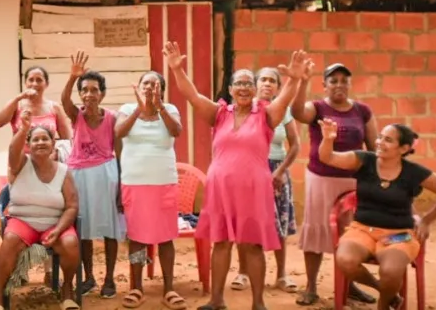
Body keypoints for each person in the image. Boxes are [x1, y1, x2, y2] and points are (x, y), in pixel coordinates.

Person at [164, 41, 307, 310]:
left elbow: (286, 97)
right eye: (238, 83)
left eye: (248, 84)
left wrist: (294, 79)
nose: (243, 88)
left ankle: (258, 303)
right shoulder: (219, 114)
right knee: (221, 243)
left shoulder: (265, 115)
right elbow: (192, 95)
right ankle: (217, 300)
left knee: (251, 246)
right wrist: (176, 70)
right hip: (221, 190)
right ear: (230, 90)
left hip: (254, 190)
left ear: (254, 90)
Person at [320, 120, 436, 310]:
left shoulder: (414, 172)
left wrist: (426, 220)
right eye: (379, 137)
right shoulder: (364, 160)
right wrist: (328, 139)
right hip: (361, 229)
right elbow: (327, 158)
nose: (379, 143)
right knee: (346, 260)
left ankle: (383, 305)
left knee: (391, 271)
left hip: (398, 234)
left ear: (404, 148)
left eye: (388, 140)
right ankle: (384, 291)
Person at [290, 62, 380, 306]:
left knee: (350, 236)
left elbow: (374, 148)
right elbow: (297, 112)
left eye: (344, 80)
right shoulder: (317, 108)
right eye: (333, 80)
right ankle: (311, 286)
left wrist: (374, 181)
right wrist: (302, 82)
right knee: (316, 230)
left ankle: (349, 285)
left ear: (350, 84)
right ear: (325, 85)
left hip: (352, 183)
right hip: (321, 180)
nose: (339, 85)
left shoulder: (363, 111)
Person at [0, 110, 81, 310]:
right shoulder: (20, 164)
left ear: (53, 144)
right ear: (28, 146)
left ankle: (67, 290)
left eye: (45, 139)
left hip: (55, 223)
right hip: (23, 221)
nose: (40, 143)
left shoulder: (64, 172)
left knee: (71, 242)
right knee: (10, 241)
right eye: (35, 140)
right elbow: (13, 151)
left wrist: (58, 229)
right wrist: (23, 128)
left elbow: (72, 206)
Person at [115, 69, 185, 309]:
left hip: (164, 182)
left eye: (155, 85)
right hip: (134, 183)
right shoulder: (126, 110)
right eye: (146, 83)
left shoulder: (171, 109)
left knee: (165, 237)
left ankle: (169, 289)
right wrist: (138, 108)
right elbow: (118, 133)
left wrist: (159, 107)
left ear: (161, 91)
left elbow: (176, 131)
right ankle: (136, 287)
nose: (149, 88)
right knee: (136, 238)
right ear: (139, 86)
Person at [59, 51, 125, 299]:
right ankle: (88, 277)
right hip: (79, 177)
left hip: (105, 176)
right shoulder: (76, 115)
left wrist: (120, 188)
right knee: (83, 229)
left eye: (94, 89)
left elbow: (119, 155)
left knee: (109, 229)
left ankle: (109, 278)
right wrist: (71, 77)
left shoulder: (112, 118)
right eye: (84, 89)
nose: (89, 94)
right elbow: (64, 99)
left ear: (102, 94)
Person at [230, 67, 301, 294]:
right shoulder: (245, 110)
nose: (267, 84)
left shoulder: (283, 111)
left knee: (278, 224)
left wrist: (280, 171)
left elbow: (295, 144)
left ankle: (281, 274)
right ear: (254, 84)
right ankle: (243, 272)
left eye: (273, 81)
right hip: (248, 172)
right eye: (263, 79)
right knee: (245, 223)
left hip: (276, 172)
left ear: (279, 88)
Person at [0, 65, 73, 142]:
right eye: (31, 80)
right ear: (25, 83)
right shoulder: (17, 104)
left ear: (46, 84)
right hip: (21, 156)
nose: (34, 84)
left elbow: (66, 139)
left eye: (39, 80)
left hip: (48, 155)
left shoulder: (54, 107)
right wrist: (18, 98)